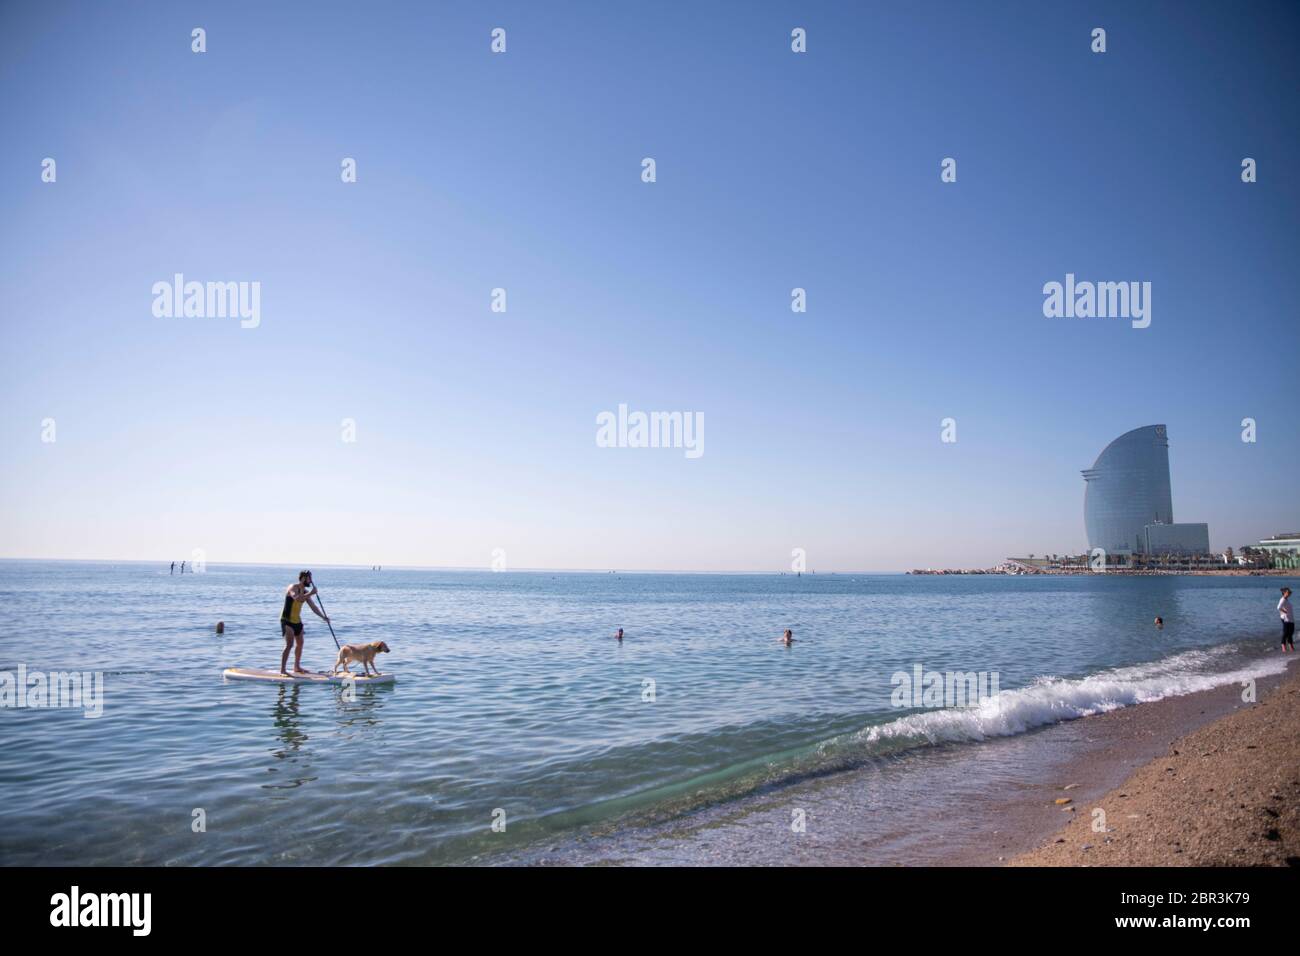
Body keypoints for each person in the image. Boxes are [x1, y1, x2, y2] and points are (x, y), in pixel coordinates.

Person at [280, 570, 329, 675]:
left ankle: (296, 667)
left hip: (297, 620)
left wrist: (323, 617)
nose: (311, 581)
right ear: (303, 578)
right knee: (289, 644)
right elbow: (297, 598)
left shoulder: (306, 592)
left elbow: (313, 607)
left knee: (300, 643)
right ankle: (282, 670)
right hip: (287, 620)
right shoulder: (292, 587)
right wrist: (312, 593)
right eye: (309, 579)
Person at [1280, 587, 1295, 652]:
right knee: (1286, 633)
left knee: (1291, 633)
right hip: (1286, 618)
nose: (1289, 594)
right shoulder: (1283, 599)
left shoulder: (1286, 599)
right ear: (1284, 593)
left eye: (1289, 593)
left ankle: (1290, 645)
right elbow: (1278, 607)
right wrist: (1284, 612)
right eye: (1288, 592)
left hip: (1291, 618)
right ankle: (1283, 645)